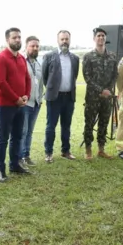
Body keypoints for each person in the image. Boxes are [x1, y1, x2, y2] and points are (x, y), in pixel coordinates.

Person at [0, 27, 32, 182]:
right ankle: (1, 170)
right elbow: (1, 82)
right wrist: (16, 99)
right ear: (7, 39)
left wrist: (26, 96)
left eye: (19, 37)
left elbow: (27, 78)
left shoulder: (21, 58)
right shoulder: (0, 58)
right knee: (3, 138)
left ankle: (14, 164)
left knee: (17, 136)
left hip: (21, 104)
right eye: (14, 37)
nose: (17, 40)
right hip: (6, 105)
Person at [40, 30, 80, 162]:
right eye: (62, 39)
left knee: (66, 126)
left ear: (70, 40)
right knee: (51, 126)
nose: (64, 41)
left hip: (69, 97)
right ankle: (49, 152)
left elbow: (74, 76)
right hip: (54, 98)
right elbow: (45, 77)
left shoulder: (75, 58)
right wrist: (52, 89)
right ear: (58, 40)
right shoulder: (49, 56)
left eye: (66, 39)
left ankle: (65, 151)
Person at [80, 27, 118, 159]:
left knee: (104, 123)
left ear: (105, 38)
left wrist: (108, 90)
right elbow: (87, 77)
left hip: (107, 97)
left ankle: (101, 149)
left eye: (103, 35)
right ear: (94, 39)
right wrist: (101, 90)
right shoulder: (88, 57)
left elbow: (115, 75)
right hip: (92, 97)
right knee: (89, 123)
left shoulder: (112, 56)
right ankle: (88, 150)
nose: (101, 38)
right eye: (98, 36)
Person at [20, 36, 45, 168]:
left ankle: (26, 155)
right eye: (32, 46)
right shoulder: (22, 62)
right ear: (26, 47)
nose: (35, 48)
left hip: (36, 103)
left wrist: (40, 100)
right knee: (22, 131)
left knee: (29, 131)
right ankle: (19, 158)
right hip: (25, 104)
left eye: (37, 46)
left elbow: (40, 84)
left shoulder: (37, 64)